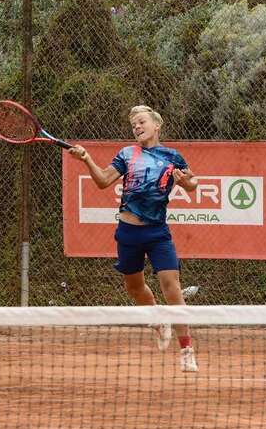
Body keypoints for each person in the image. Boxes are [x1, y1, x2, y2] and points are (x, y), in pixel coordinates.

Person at [68, 105, 199, 372]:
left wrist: (184, 181)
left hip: (157, 232)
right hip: (128, 231)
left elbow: (193, 183)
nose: (137, 127)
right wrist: (86, 159)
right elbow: (104, 181)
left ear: (156, 125)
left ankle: (186, 348)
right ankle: (157, 320)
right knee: (134, 287)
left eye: (141, 122)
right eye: (133, 125)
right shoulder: (127, 154)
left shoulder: (172, 156)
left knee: (171, 286)